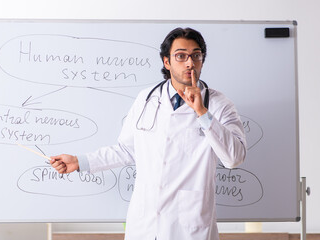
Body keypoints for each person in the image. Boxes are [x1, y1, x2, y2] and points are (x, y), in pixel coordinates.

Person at [50, 27, 246, 240]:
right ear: (167, 62)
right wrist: (80, 162)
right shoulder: (146, 100)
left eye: (196, 56)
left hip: (189, 227)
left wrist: (202, 112)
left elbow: (234, 158)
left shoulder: (218, 105)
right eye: (181, 56)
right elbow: (126, 150)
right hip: (145, 225)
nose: (190, 63)